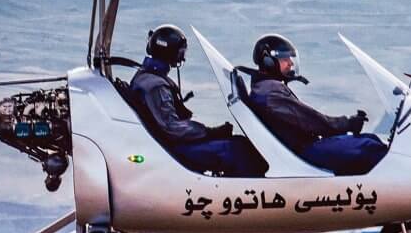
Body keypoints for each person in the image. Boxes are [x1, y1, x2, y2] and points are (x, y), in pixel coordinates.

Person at [125, 26, 267, 177]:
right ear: (170, 51)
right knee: (240, 150)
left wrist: (210, 132)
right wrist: (209, 132)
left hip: (174, 143)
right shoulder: (155, 85)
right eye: (181, 52)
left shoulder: (150, 78)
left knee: (240, 143)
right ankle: (246, 194)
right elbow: (171, 127)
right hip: (176, 148)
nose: (183, 57)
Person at [245, 34, 389, 174]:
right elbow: (309, 120)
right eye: (284, 58)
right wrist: (347, 124)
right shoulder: (270, 91)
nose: (291, 63)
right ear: (268, 61)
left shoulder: (265, 88)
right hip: (304, 152)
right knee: (369, 148)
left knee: (370, 139)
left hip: (301, 149)